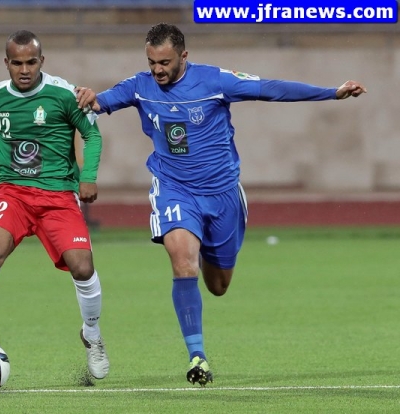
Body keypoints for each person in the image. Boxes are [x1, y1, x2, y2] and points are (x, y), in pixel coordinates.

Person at [75, 22, 366, 386]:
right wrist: (87, 96)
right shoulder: (139, 86)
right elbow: (97, 103)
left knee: (218, 285)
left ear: (184, 56)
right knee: (183, 263)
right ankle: (197, 356)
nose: (157, 70)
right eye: (151, 62)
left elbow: (270, 89)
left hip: (223, 194)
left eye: (164, 62)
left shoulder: (215, 81)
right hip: (174, 189)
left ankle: (207, 251)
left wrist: (331, 93)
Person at [0, 30, 109, 380]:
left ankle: (92, 334)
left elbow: (92, 134)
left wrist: (88, 176)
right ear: (6, 63)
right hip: (13, 193)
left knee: (83, 268)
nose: (24, 70)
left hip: (58, 195)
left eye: (31, 62)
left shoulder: (64, 94)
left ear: (42, 61)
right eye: (17, 63)